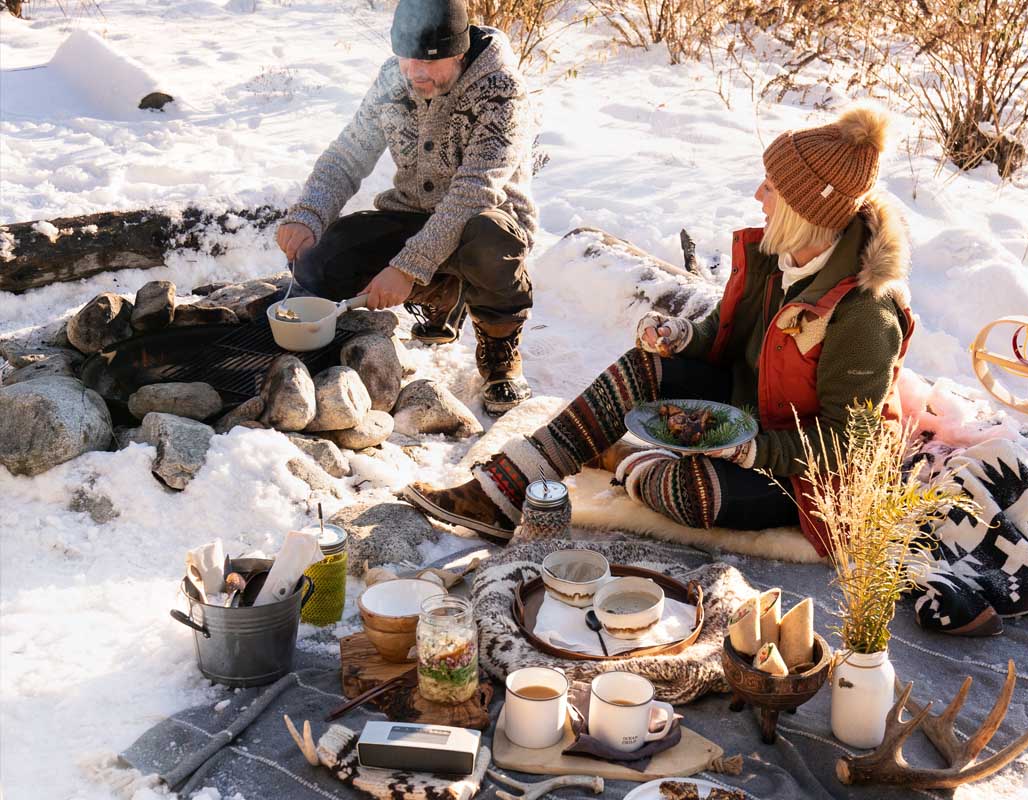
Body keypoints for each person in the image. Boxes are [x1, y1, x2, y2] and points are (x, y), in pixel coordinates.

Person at [403, 104, 914, 552]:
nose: (760, 194)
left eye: (773, 188)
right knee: (643, 367)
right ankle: (502, 492)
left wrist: (754, 450)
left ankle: (623, 456)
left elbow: (853, 444)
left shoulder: (865, 313)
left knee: (690, 490)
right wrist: (683, 337)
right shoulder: (780, 257)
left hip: (809, 482)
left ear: (805, 211)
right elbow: (727, 337)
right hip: (747, 413)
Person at [276, 0, 537, 416]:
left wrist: (408, 268)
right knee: (326, 256)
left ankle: (500, 350)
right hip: (412, 214)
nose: (416, 73)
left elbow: (474, 192)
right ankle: (442, 292)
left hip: (488, 219)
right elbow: (347, 156)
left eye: (430, 63)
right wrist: (309, 214)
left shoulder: (501, 90)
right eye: (407, 59)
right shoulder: (392, 81)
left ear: (461, 50)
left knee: (488, 242)